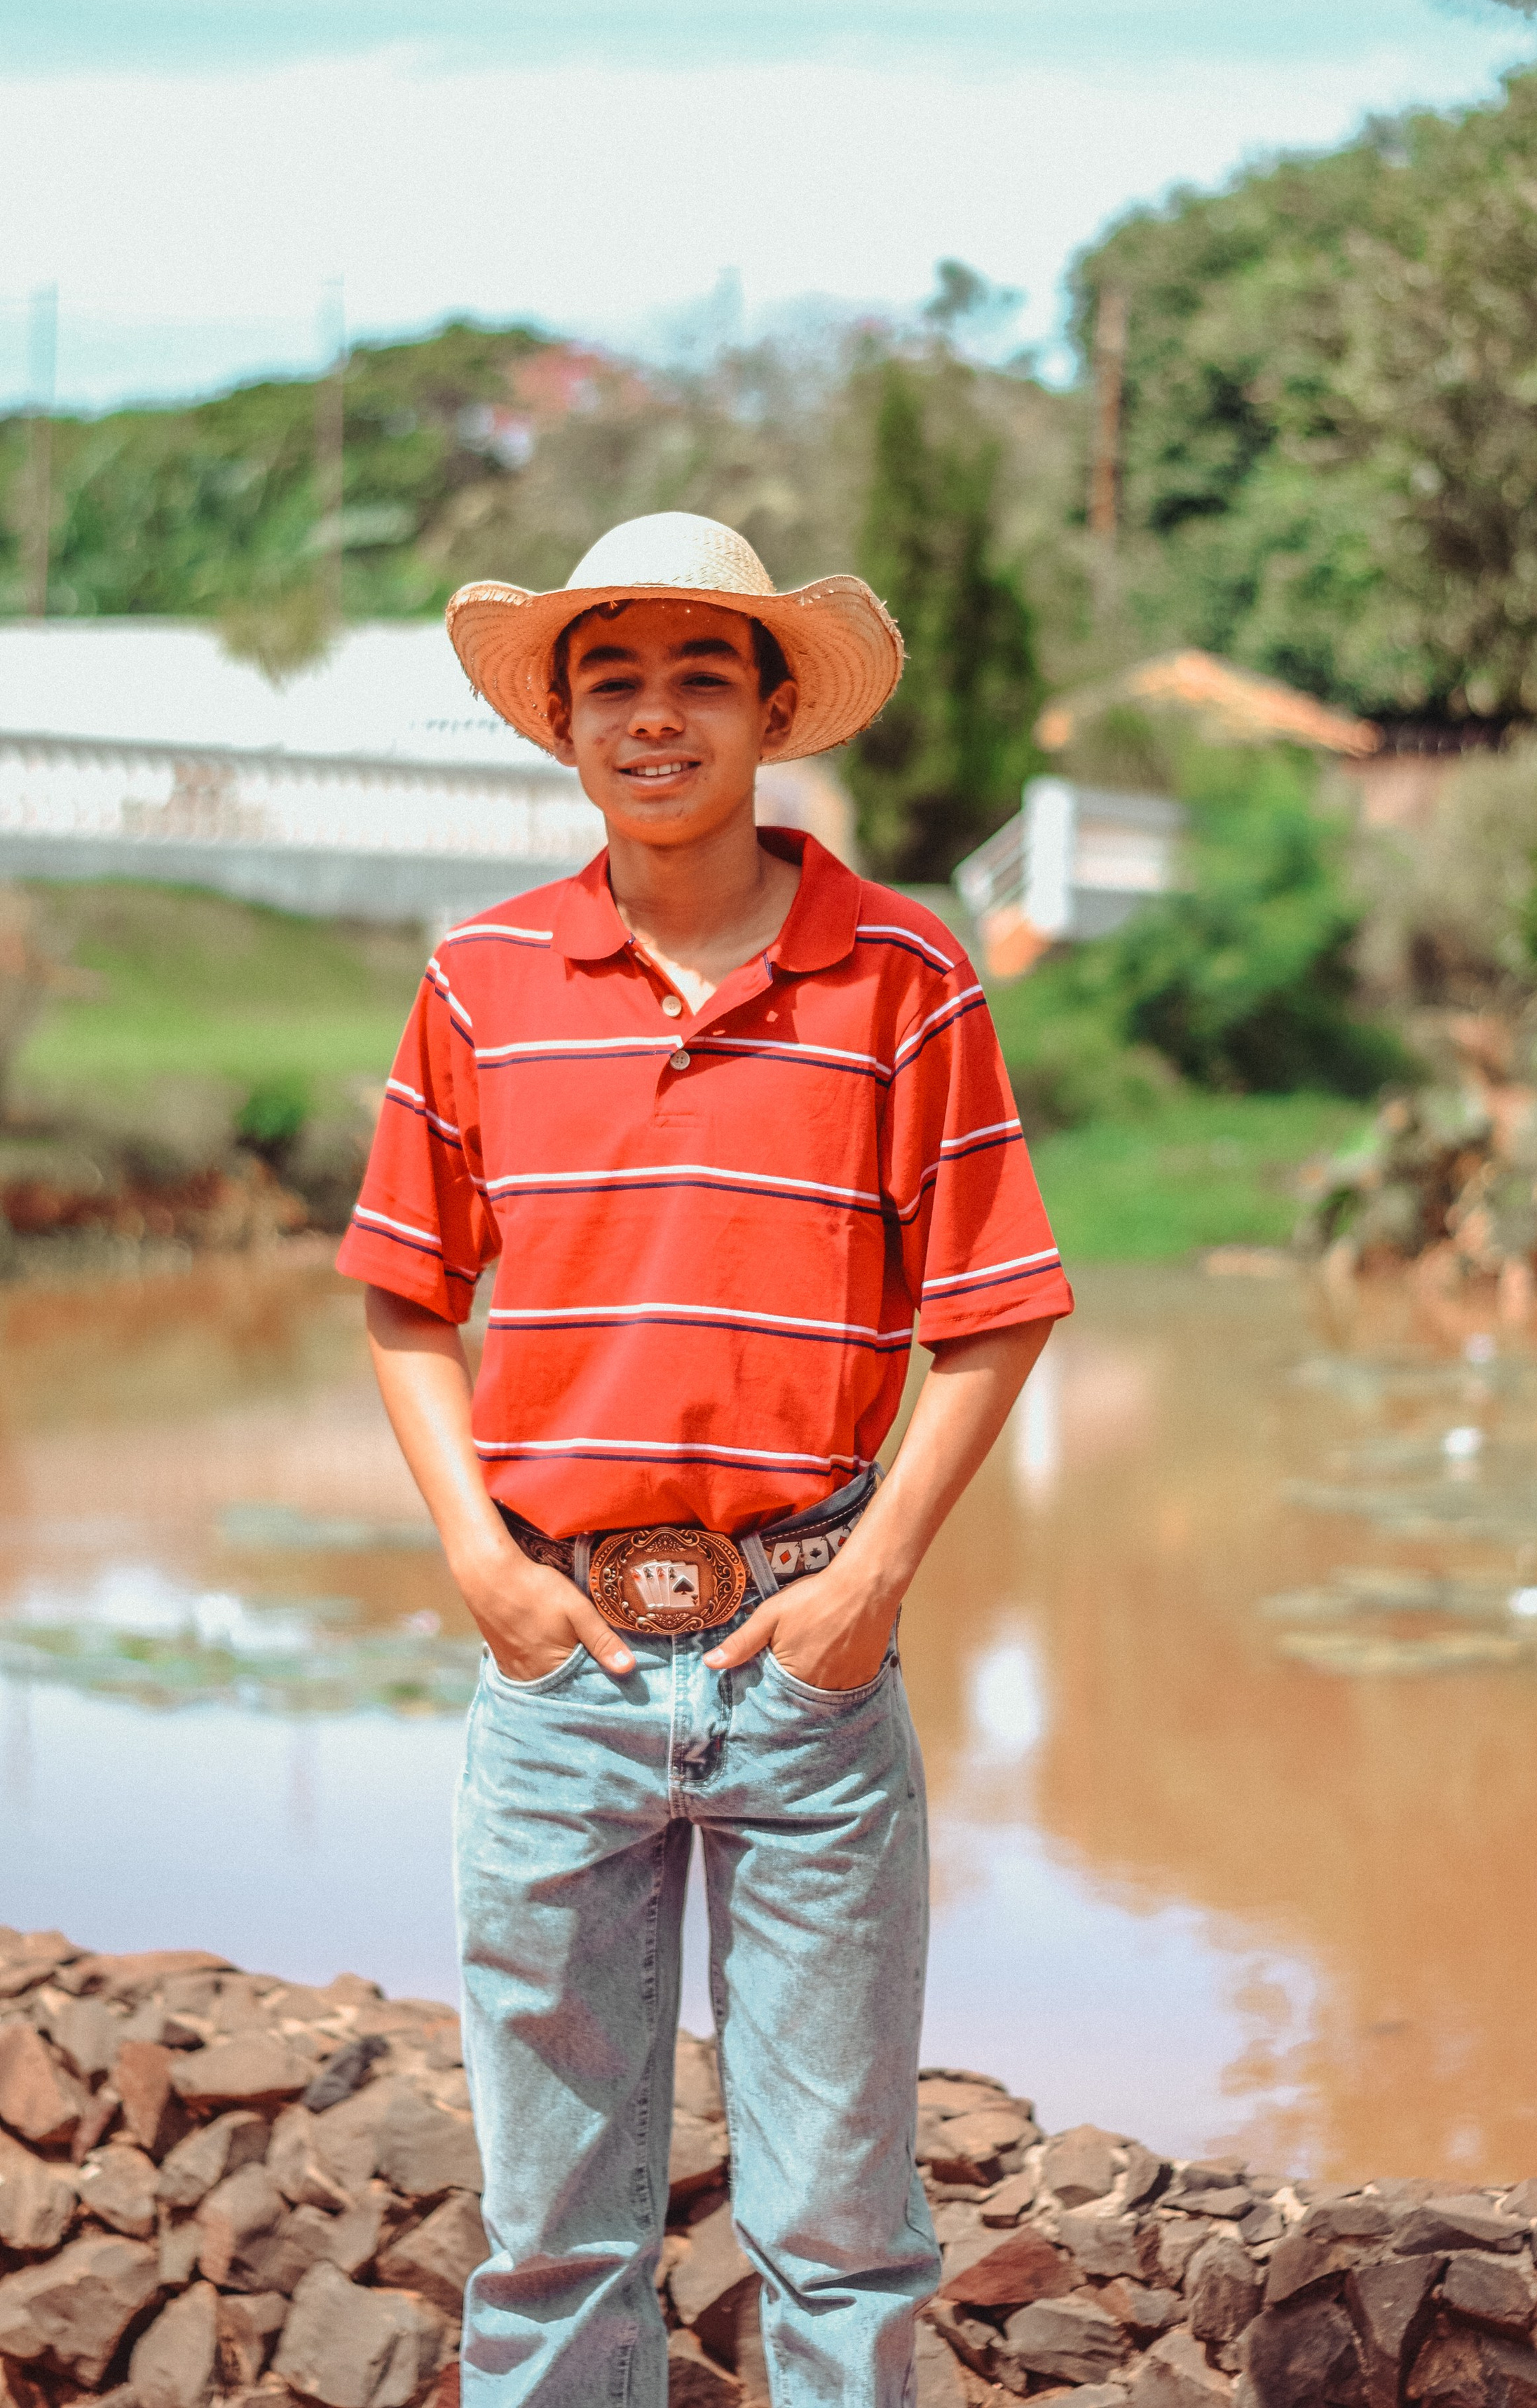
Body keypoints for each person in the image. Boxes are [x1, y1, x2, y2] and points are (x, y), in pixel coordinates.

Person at [338, 510, 1072, 2408]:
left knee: (841, 2231)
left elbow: (995, 1306)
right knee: (555, 2238)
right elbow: (408, 1299)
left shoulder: (908, 973)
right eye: (612, 683)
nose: (652, 719)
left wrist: (872, 1582)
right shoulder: (480, 978)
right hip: (554, 1661)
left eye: (695, 679)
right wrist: (483, 1572)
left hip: (804, 1672)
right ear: (567, 725)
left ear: (770, 712)